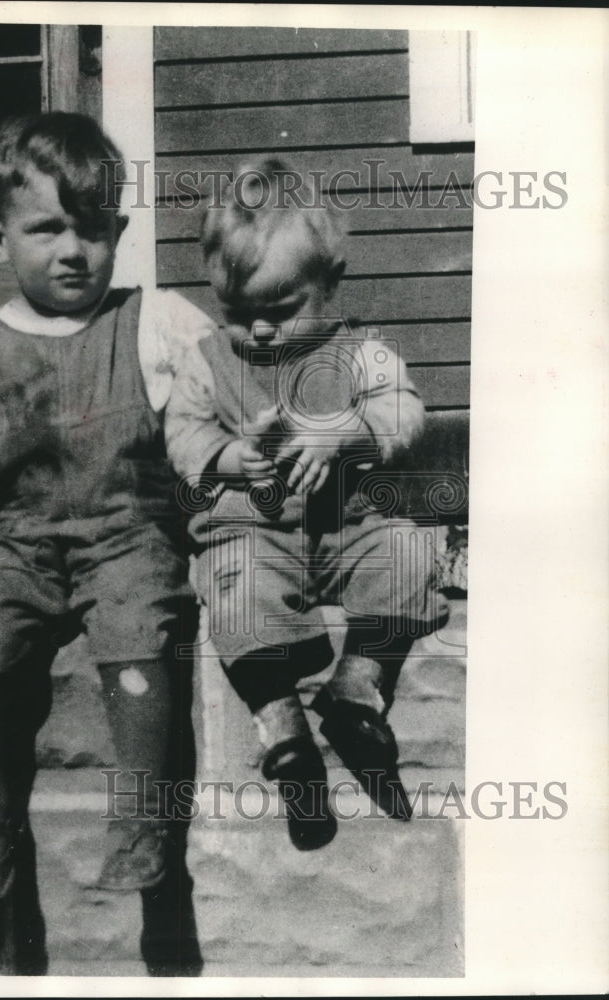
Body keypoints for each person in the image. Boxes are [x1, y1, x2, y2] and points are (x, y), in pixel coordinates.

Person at [0, 112, 210, 974]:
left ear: (117, 231)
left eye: (93, 228)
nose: (73, 250)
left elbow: (218, 389)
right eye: (47, 229)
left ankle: (145, 820)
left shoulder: (153, 320)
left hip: (126, 528)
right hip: (17, 539)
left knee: (138, 638)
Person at [166, 158, 450, 845]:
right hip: (255, 534)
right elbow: (181, 433)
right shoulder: (205, 359)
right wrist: (232, 455)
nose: (259, 331)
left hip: (350, 529)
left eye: (280, 310)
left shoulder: (362, 353)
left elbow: (403, 413)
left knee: (409, 551)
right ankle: (282, 729)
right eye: (239, 314)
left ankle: (356, 689)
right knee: (236, 593)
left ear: (330, 284)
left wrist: (348, 428)